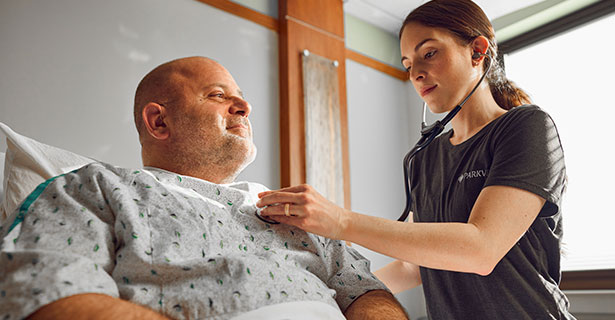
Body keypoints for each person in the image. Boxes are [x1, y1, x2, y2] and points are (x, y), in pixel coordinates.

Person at [0, 57, 408, 320]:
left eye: (242, 98)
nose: (244, 107)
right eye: (218, 95)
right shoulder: (93, 189)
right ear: (158, 122)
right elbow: (48, 291)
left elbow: (366, 290)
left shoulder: (294, 210)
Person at [256, 0, 574, 319]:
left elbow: (481, 249)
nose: (417, 74)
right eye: (408, 65)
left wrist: (340, 222)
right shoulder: (426, 156)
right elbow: (413, 266)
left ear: (478, 51)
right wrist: (332, 297)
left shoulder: (526, 127)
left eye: (429, 53)